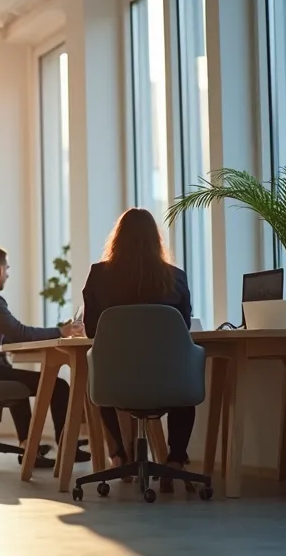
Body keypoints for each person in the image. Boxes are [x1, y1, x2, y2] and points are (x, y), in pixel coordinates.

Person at [81, 207, 194, 492]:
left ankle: (119, 455)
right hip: (168, 382)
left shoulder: (98, 275)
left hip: (116, 383)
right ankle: (175, 462)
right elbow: (184, 329)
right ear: (156, 240)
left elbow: (93, 331)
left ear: (117, 239)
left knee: (101, 371)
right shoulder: (176, 278)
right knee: (185, 379)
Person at [0, 245, 88, 469]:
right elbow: (19, 332)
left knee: (18, 381)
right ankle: (67, 448)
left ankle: (27, 447)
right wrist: (62, 331)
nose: (8, 275)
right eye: (8, 269)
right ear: (0, 270)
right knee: (59, 386)